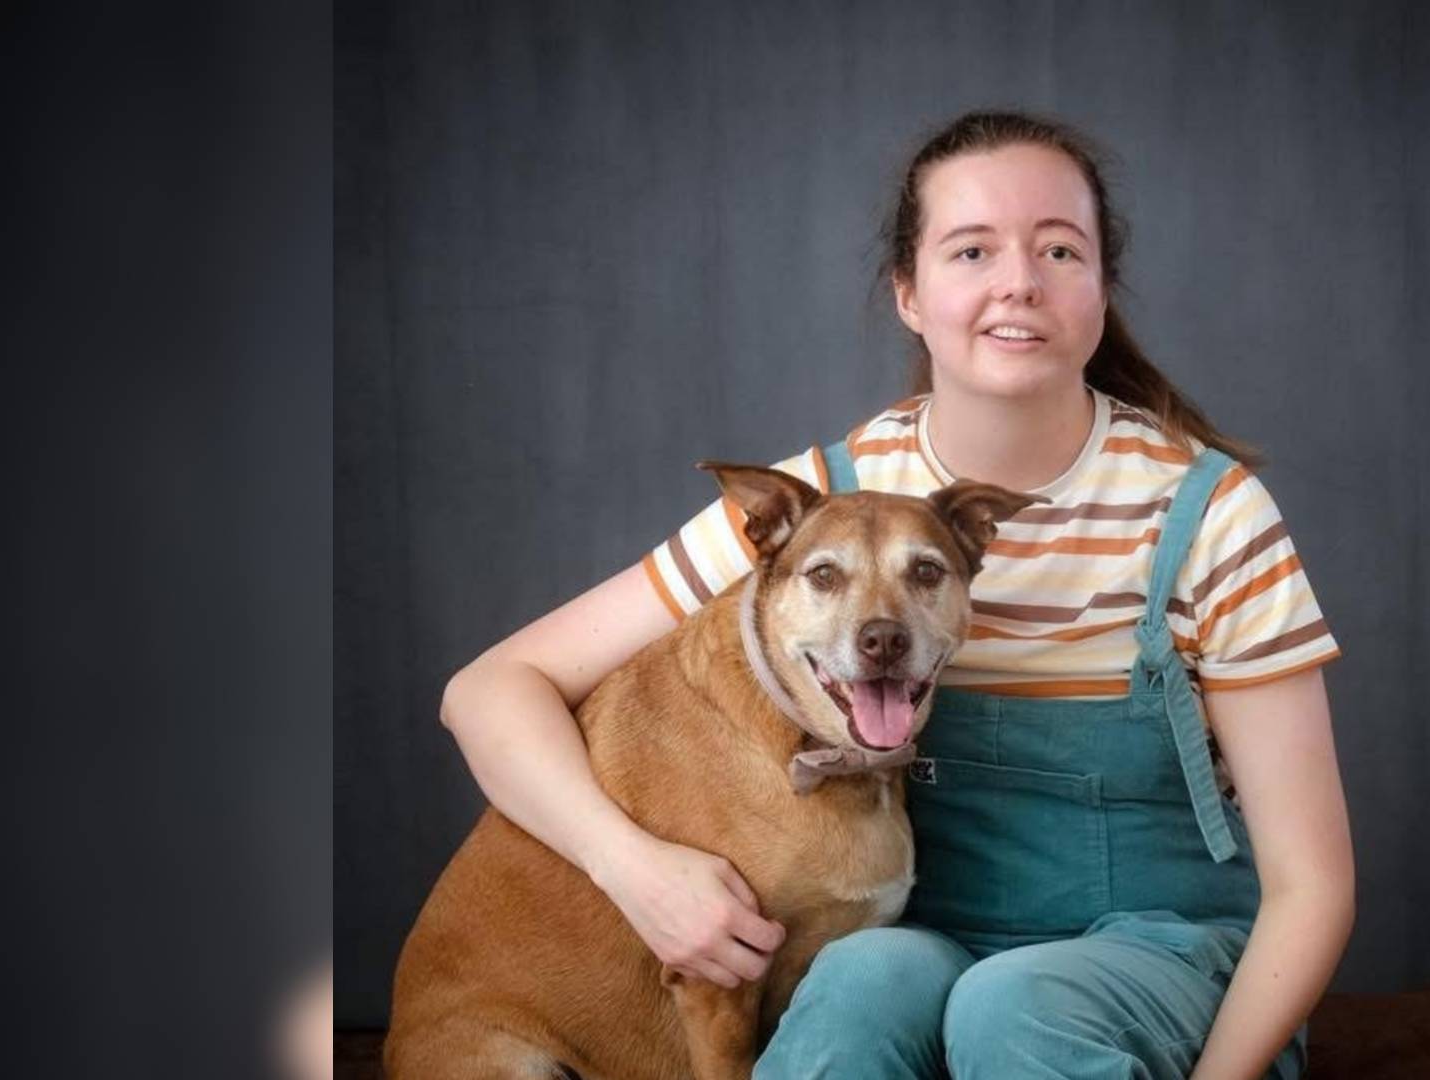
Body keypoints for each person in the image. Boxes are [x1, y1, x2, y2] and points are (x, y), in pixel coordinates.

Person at [439, 109, 1354, 1079]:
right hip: (936, 947)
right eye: (971, 250)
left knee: (1016, 1006)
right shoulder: (825, 501)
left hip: (1168, 957)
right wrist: (636, 872)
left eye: (1059, 249)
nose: (1019, 281)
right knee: (859, 983)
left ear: (1101, 287)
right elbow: (488, 690)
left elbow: (1314, 887)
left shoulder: (1207, 514)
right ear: (908, 293)